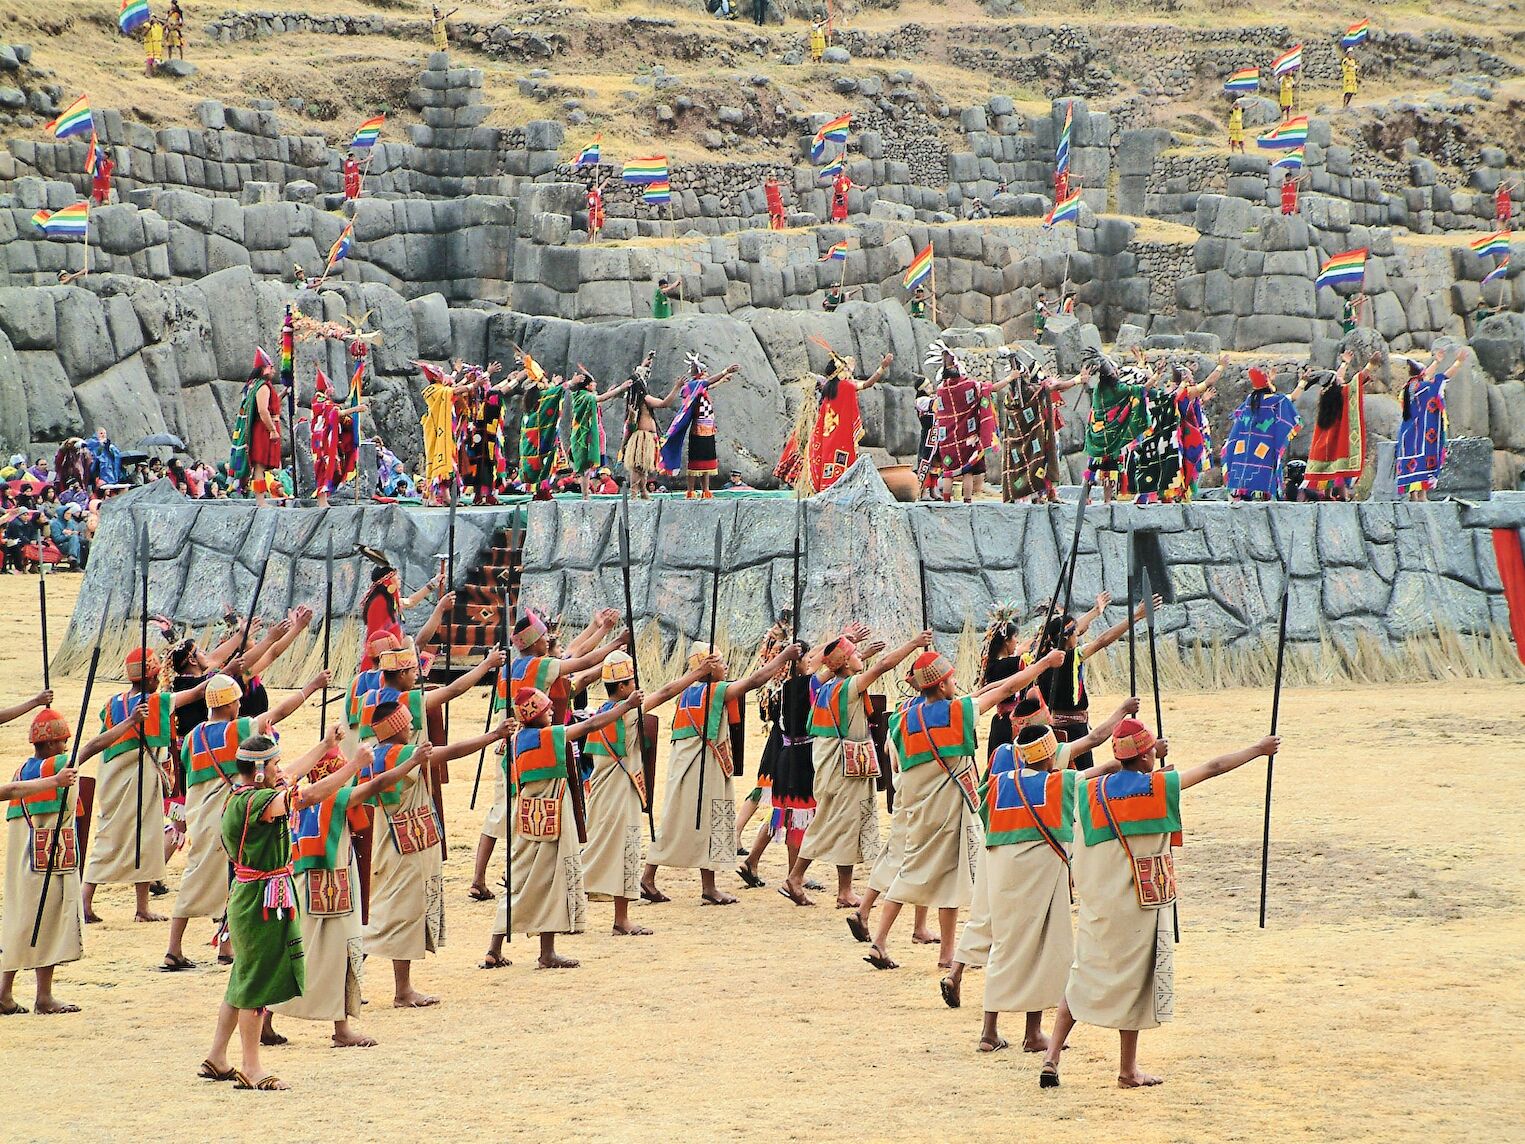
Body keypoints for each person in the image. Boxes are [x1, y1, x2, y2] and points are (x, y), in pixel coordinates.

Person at [1040, 722, 1281, 1089]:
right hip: (1140, 903)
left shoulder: (1092, 791)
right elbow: (1212, 768)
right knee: (1136, 985)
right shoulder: (1159, 788)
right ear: (1146, 754)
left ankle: (1052, 1056)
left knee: (1082, 978)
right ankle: (1127, 1070)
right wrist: (1258, 749)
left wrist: (1154, 761)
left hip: (1099, 904)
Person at [859, 648, 1062, 972]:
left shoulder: (903, 717)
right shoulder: (958, 712)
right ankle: (919, 948)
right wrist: (1044, 664)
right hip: (949, 806)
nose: (955, 682)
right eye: (951, 679)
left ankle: (901, 944)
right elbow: (1005, 691)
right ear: (940, 686)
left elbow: (895, 759)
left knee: (925, 871)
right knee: (943, 875)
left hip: (918, 806)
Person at [943, 700, 1140, 1027]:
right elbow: (1097, 763)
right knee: (1045, 949)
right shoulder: (1060, 783)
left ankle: (989, 1029)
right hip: (1038, 878)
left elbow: (984, 808)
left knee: (1002, 945)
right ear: (1051, 754)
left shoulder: (1001, 778)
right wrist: (1130, 743)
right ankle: (1032, 1032)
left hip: (999, 869)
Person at [194, 733, 345, 1090]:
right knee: (256, 983)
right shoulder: (259, 802)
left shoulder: (243, 795)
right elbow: (305, 796)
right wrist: (354, 766)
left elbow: (292, 777)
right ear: (260, 770)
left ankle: (218, 1056)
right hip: (262, 898)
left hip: (249, 893)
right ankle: (252, 1066)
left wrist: (323, 746)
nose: (281, 768)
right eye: (275, 763)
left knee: (242, 979)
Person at [163, 670, 326, 970]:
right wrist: (312, 687)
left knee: (218, 880)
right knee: (216, 879)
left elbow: (184, 784)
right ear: (227, 705)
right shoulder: (238, 730)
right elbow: (277, 714)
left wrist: (181, 822)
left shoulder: (192, 738)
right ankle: (179, 950)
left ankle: (219, 948)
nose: (239, 706)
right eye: (236, 701)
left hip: (202, 816)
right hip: (228, 816)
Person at [272, 734, 423, 1047]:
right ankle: (341, 1030)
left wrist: (328, 744)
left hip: (300, 886)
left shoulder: (291, 796)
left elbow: (294, 770)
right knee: (340, 957)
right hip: (333, 890)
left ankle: (266, 1020)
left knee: (292, 955)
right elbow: (378, 785)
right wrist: (412, 762)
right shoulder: (334, 799)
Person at [481, 682, 637, 970]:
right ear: (534, 715)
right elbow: (590, 725)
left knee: (522, 881)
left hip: (529, 816)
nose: (552, 710)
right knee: (548, 883)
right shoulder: (549, 736)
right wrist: (625, 707)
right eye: (545, 708)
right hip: (551, 817)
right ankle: (543, 952)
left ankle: (500, 948)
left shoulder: (515, 740)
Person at [468, 610, 622, 900]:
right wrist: (615, 643)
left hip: (508, 742)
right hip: (531, 744)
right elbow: (583, 660)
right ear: (537, 642)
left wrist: (598, 629)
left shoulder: (510, 667)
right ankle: (508, 874)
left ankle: (485, 876)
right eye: (546, 638)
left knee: (503, 812)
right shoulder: (540, 666)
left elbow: (575, 653)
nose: (549, 642)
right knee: (518, 811)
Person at [360, 691, 502, 1006]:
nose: (412, 728)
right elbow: (451, 752)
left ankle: (373, 981)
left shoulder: (374, 755)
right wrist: (492, 735)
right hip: (403, 847)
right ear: (395, 728)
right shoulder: (401, 756)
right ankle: (401, 990)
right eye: (407, 724)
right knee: (396, 917)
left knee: (390, 914)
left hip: (389, 844)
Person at [641, 639, 800, 906]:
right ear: (707, 668)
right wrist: (783, 656)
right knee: (705, 817)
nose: (726, 667)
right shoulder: (714, 691)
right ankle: (651, 878)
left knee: (701, 820)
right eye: (721, 662)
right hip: (702, 763)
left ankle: (706, 886)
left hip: (693, 764)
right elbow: (754, 681)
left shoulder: (687, 692)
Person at [780, 631, 930, 911]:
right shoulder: (847, 687)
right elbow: (884, 665)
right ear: (845, 664)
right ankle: (796, 876)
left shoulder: (827, 687)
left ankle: (844, 891)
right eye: (855, 655)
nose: (861, 657)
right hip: (843, 767)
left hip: (842, 765)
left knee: (847, 826)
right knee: (830, 822)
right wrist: (914, 644)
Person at [1, 704, 132, 1016]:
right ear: (49, 745)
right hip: (50, 857)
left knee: (21, 922)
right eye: (62, 742)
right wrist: (131, 721)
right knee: (47, 922)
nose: (65, 748)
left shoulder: (22, 770)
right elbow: (95, 745)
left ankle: (4, 992)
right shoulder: (60, 767)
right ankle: (43, 997)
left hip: (22, 861)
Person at [581, 652, 714, 936]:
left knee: (605, 852)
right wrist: (697, 673)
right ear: (623, 687)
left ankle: (609, 917)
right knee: (624, 852)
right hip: (619, 793)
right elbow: (666, 692)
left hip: (606, 792)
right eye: (632, 683)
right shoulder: (627, 711)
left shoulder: (602, 711)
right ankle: (619, 919)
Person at [80, 651, 206, 925]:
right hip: (136, 779)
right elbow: (196, 694)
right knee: (130, 839)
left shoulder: (113, 703)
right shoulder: (155, 703)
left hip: (114, 779)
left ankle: (136, 907)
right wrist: (226, 672)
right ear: (150, 678)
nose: (159, 682)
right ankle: (89, 902)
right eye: (157, 677)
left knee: (132, 839)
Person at [775, 349, 894, 493]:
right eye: (844, 368)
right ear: (839, 372)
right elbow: (867, 384)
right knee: (840, 465)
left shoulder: (828, 388)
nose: (848, 370)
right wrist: (882, 367)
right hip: (840, 436)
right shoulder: (845, 386)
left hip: (825, 436)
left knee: (825, 462)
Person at [997, 348, 1087, 503]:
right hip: (1035, 436)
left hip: (1040, 434)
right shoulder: (1029, 392)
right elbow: (1054, 387)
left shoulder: (1021, 393)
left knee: (1048, 461)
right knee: (1039, 462)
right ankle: (1040, 495)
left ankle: (1050, 493)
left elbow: (1056, 386)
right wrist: (1077, 379)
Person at [657, 354, 740, 499]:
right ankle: (690, 490)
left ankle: (706, 490)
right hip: (699, 430)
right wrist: (725, 371)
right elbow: (707, 382)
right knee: (696, 462)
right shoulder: (693, 386)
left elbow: (709, 385)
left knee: (707, 462)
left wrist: (722, 381)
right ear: (701, 374)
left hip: (708, 430)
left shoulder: (699, 388)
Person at [1222, 366, 1306, 502]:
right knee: (1263, 480)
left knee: (1244, 484)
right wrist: (1303, 382)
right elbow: (1293, 396)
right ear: (1267, 384)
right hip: (1264, 449)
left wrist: (1269, 381)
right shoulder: (1277, 401)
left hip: (1244, 451)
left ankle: (1239, 495)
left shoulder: (1250, 400)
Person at [1305, 350, 1374, 501]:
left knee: (1327, 467)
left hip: (1323, 441)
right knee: (1338, 469)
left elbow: (1336, 379)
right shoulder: (1343, 393)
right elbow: (1358, 380)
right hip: (1337, 440)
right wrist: (1371, 364)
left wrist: (1345, 363)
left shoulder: (1325, 396)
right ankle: (1342, 495)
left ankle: (1328, 494)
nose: (1341, 379)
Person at [926, 342, 990, 503]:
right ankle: (967, 501)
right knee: (967, 470)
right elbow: (990, 388)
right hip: (966, 437)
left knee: (948, 471)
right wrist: (1010, 378)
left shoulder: (941, 390)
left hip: (946, 438)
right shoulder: (968, 386)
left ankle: (947, 501)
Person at [1083, 353, 1149, 503]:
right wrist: (1156, 375)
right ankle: (1107, 501)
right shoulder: (1119, 390)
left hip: (1097, 433)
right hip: (1111, 436)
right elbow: (1142, 389)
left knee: (1093, 465)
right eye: (1114, 370)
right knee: (1109, 468)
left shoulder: (1098, 389)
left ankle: (1086, 495)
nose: (1117, 371)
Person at [1396, 350, 1458, 501]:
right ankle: (1422, 495)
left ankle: (1414, 495)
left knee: (1410, 461)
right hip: (1419, 433)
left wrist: (1436, 362)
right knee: (1422, 461)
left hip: (1407, 433)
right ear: (1421, 374)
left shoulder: (1408, 388)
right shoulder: (1424, 387)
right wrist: (1458, 363)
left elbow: (1426, 374)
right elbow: (1441, 379)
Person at [229, 346, 283, 503]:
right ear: (264, 369)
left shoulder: (256, 385)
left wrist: (283, 394)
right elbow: (263, 410)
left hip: (262, 428)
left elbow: (269, 405)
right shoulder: (263, 386)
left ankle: (261, 500)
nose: (273, 371)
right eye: (271, 368)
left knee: (260, 467)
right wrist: (272, 430)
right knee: (259, 467)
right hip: (263, 430)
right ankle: (260, 501)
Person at [310, 370, 366, 508]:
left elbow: (337, 416)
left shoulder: (326, 402)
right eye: (330, 387)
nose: (333, 389)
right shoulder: (319, 401)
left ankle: (324, 499)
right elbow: (334, 413)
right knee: (324, 467)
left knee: (332, 466)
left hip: (328, 440)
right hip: (322, 441)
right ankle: (321, 501)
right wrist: (355, 409)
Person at [417, 362, 459, 504]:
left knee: (446, 463)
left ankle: (446, 497)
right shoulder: (433, 390)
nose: (443, 375)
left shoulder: (441, 388)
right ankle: (431, 497)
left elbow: (450, 384)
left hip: (443, 430)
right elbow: (455, 391)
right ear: (435, 378)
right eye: (440, 373)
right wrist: (476, 384)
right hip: (435, 429)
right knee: (435, 461)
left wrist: (456, 372)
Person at [587, 175, 608, 240]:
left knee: (597, 226)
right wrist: (594, 201)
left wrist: (606, 181)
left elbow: (601, 188)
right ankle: (588, 239)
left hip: (598, 212)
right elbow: (592, 203)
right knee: (593, 226)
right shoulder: (590, 195)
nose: (595, 187)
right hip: (593, 212)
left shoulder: (597, 193)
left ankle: (594, 239)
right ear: (591, 189)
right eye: (594, 186)